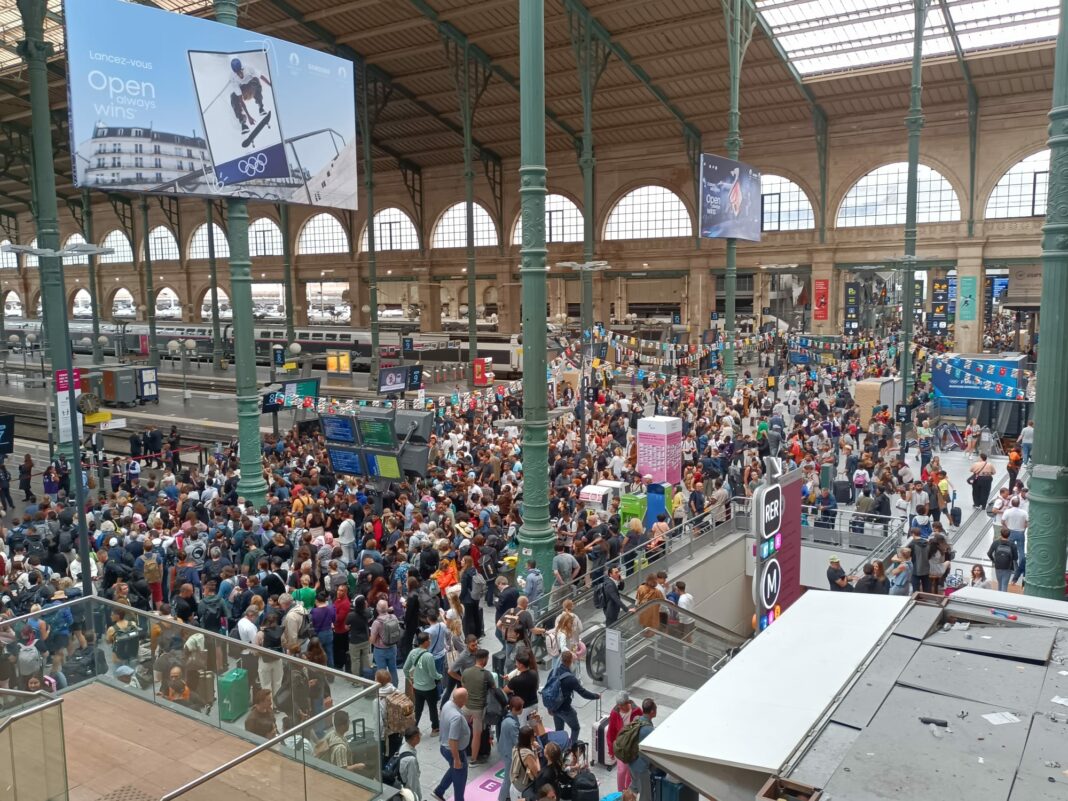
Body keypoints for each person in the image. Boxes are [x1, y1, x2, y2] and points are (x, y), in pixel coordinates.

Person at [548, 650, 599, 746]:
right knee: (575, 728)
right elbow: (583, 693)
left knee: (558, 731)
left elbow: (548, 690)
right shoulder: (571, 679)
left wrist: (549, 707)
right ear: (570, 662)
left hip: (554, 707)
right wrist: (596, 696)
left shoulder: (553, 672)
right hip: (565, 709)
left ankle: (557, 749)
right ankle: (571, 748)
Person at [432, 688, 471, 801]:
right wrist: (457, 759)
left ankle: (439, 791)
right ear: (461, 699)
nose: (468, 698)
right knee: (460, 778)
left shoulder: (448, 704)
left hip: (445, 747)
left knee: (454, 770)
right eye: (466, 697)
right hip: (454, 750)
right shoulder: (456, 717)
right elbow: (453, 740)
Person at [403, 631, 441, 734]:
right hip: (429, 687)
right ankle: (435, 728)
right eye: (429, 639)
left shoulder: (412, 652)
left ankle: (414, 729)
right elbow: (433, 674)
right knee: (433, 708)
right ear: (425, 642)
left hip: (417, 687)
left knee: (418, 709)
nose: (430, 641)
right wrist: (441, 677)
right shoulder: (428, 656)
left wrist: (410, 680)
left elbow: (405, 668)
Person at [460, 648, 493, 764]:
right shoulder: (487, 674)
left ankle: (461, 754)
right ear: (484, 659)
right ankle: (473, 759)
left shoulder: (466, 672)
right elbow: (493, 689)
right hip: (478, 710)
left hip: (465, 707)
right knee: (477, 735)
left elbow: (463, 686)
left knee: (462, 731)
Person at [607, 691, 642, 790]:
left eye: (622, 705)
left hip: (633, 746)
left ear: (628, 702)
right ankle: (621, 792)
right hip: (621, 746)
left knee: (630, 771)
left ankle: (628, 790)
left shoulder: (637, 711)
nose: (620, 708)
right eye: (619, 705)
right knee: (621, 770)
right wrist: (611, 750)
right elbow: (611, 732)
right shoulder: (615, 713)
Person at [228, 57, 272, 135]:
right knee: (233, 96)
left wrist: (270, 85)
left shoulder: (249, 68)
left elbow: (261, 76)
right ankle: (243, 123)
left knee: (255, 80)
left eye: (240, 72)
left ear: (242, 68)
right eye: (237, 73)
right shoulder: (233, 78)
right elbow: (240, 100)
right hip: (244, 93)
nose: (240, 74)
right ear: (235, 72)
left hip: (252, 89)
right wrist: (249, 116)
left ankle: (261, 107)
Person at [625, 699, 658, 801]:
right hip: (641, 767)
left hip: (631, 762)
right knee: (645, 795)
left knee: (634, 786)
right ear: (652, 711)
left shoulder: (636, 719)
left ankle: (626, 799)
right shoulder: (649, 730)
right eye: (656, 709)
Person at [496, 696, 524, 801]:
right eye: (521, 708)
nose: (522, 710)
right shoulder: (511, 723)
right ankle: (502, 798)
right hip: (509, 753)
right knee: (507, 779)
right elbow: (517, 741)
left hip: (505, 749)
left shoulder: (509, 717)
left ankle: (506, 796)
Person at [370, 598, 400, 686]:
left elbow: (372, 640)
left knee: (382, 672)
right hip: (392, 647)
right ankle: (395, 688)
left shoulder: (377, 623)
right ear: (387, 608)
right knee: (393, 669)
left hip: (380, 650)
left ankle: (383, 689)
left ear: (377, 609)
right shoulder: (393, 617)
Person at [509, 724, 542, 801]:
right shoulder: (528, 755)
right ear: (530, 738)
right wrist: (536, 753)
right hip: (522, 791)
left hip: (514, 785)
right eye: (533, 736)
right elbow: (537, 773)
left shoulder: (516, 747)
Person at [1001, 496, 1028, 587]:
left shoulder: (1007, 512)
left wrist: (1006, 527)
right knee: (1021, 551)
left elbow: (1002, 521)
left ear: (1011, 503)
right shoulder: (1024, 512)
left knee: (1010, 550)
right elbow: (1027, 522)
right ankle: (1021, 566)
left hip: (1010, 531)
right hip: (1020, 532)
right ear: (1019, 504)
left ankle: (1011, 566)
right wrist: (1024, 529)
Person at [987, 527, 1018, 592]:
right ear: (1009, 535)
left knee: (1000, 583)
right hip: (1008, 567)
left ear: (1000, 534)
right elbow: (1016, 558)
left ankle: (999, 598)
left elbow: (989, 553)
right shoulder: (1012, 545)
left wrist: (994, 560)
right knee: (1004, 585)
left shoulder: (996, 543)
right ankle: (1003, 599)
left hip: (998, 566)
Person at [395, 726, 422, 801]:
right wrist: (416, 797)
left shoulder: (403, 746)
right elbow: (412, 782)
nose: (421, 736)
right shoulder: (411, 760)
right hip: (407, 790)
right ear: (415, 738)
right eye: (419, 735)